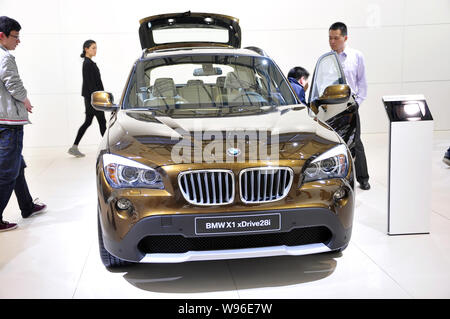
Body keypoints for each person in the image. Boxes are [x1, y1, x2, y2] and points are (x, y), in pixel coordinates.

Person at [0, 16, 47, 232]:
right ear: (2, 36)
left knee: (17, 165)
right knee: (8, 170)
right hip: (8, 121)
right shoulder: (5, 57)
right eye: (15, 37)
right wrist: (25, 99)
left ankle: (27, 205)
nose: (18, 41)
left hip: (2, 118)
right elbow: (14, 85)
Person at [329, 22, 370, 190]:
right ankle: (335, 179)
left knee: (356, 141)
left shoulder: (356, 56)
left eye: (336, 38)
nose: (332, 41)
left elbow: (362, 83)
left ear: (345, 38)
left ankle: (363, 178)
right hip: (332, 107)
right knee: (333, 144)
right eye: (330, 38)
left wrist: (357, 103)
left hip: (351, 105)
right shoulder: (327, 59)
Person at [68, 40, 106, 157]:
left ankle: (74, 147)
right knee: (102, 122)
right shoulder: (88, 64)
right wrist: (97, 99)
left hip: (92, 98)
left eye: (96, 48)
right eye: (93, 48)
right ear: (86, 49)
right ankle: (108, 148)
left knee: (89, 122)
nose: (95, 50)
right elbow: (91, 84)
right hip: (93, 99)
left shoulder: (89, 63)